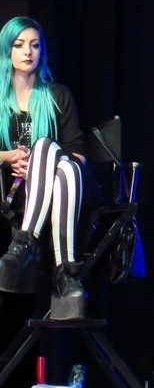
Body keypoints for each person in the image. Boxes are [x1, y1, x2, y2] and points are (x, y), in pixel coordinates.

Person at [0, 16, 91, 320]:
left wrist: (42, 164)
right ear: (7, 50)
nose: (28, 52)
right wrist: (9, 157)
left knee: (52, 154)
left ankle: (25, 241)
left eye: (35, 45)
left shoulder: (57, 95)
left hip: (61, 194)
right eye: (19, 45)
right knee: (53, 158)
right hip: (14, 196)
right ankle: (67, 274)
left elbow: (78, 156)